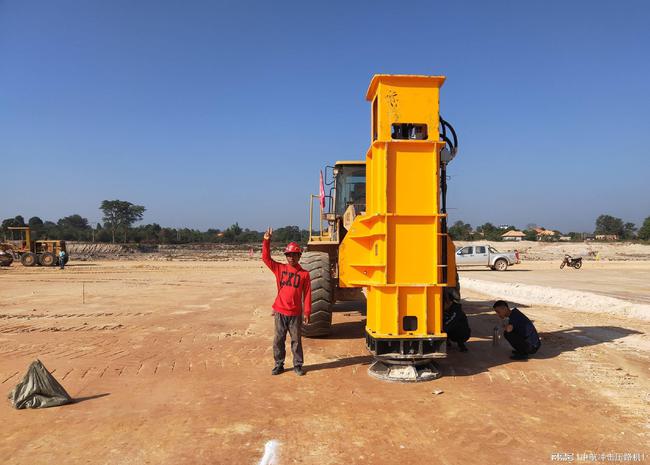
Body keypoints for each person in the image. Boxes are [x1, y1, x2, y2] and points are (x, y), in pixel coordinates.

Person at [262, 227, 311, 376]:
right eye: (289, 255)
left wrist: (307, 311)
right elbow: (266, 258)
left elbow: (308, 293)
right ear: (286, 256)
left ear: (299, 256)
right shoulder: (279, 268)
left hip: (295, 313)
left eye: (294, 255)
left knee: (296, 341)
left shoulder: (304, 274)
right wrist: (266, 241)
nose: (291, 258)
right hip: (280, 311)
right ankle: (279, 364)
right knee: (278, 340)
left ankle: (297, 365)